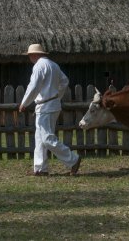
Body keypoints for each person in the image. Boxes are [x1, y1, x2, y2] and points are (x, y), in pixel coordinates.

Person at [19, 44, 81, 176]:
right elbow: (65, 81)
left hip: (46, 106)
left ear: (34, 55)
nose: (29, 57)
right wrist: (57, 95)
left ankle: (73, 159)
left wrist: (24, 103)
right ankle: (40, 168)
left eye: (30, 55)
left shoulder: (39, 66)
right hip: (50, 104)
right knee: (40, 138)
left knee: (47, 138)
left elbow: (34, 86)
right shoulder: (54, 65)